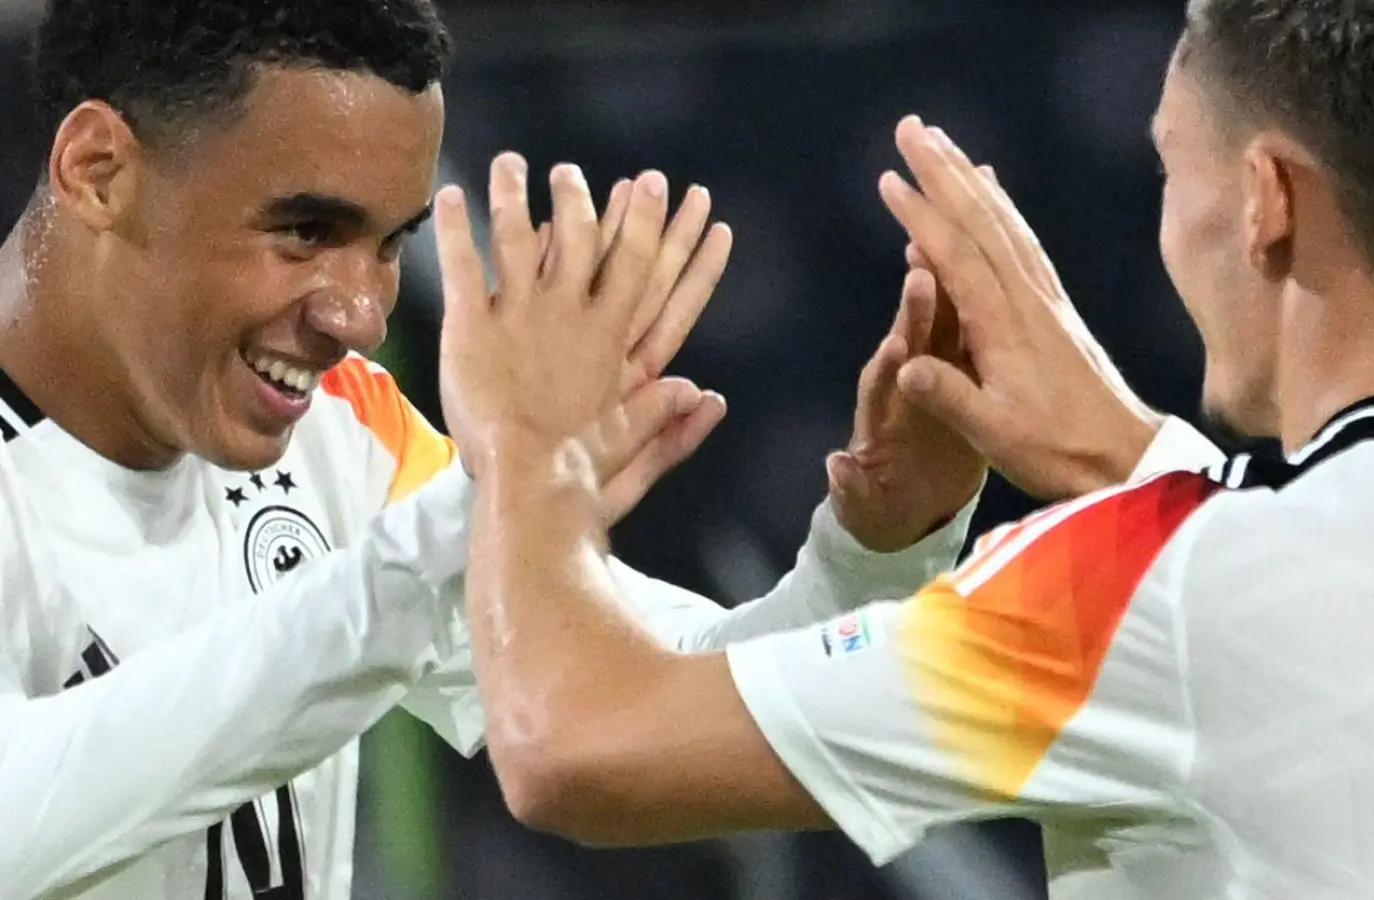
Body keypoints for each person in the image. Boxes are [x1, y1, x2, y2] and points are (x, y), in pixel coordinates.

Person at [436, 0, 1374, 896]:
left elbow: (572, 746)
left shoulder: (1141, 586)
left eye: (1169, 161)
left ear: (1264, 202)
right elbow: (1346, 599)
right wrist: (1126, 455)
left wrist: (526, 439)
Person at [0, 1, 991, 897]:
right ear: (100, 171)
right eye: (304, 231)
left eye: (388, 246)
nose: (357, 314)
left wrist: (880, 545)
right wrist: (486, 495)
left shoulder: (350, 431)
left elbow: (678, 707)